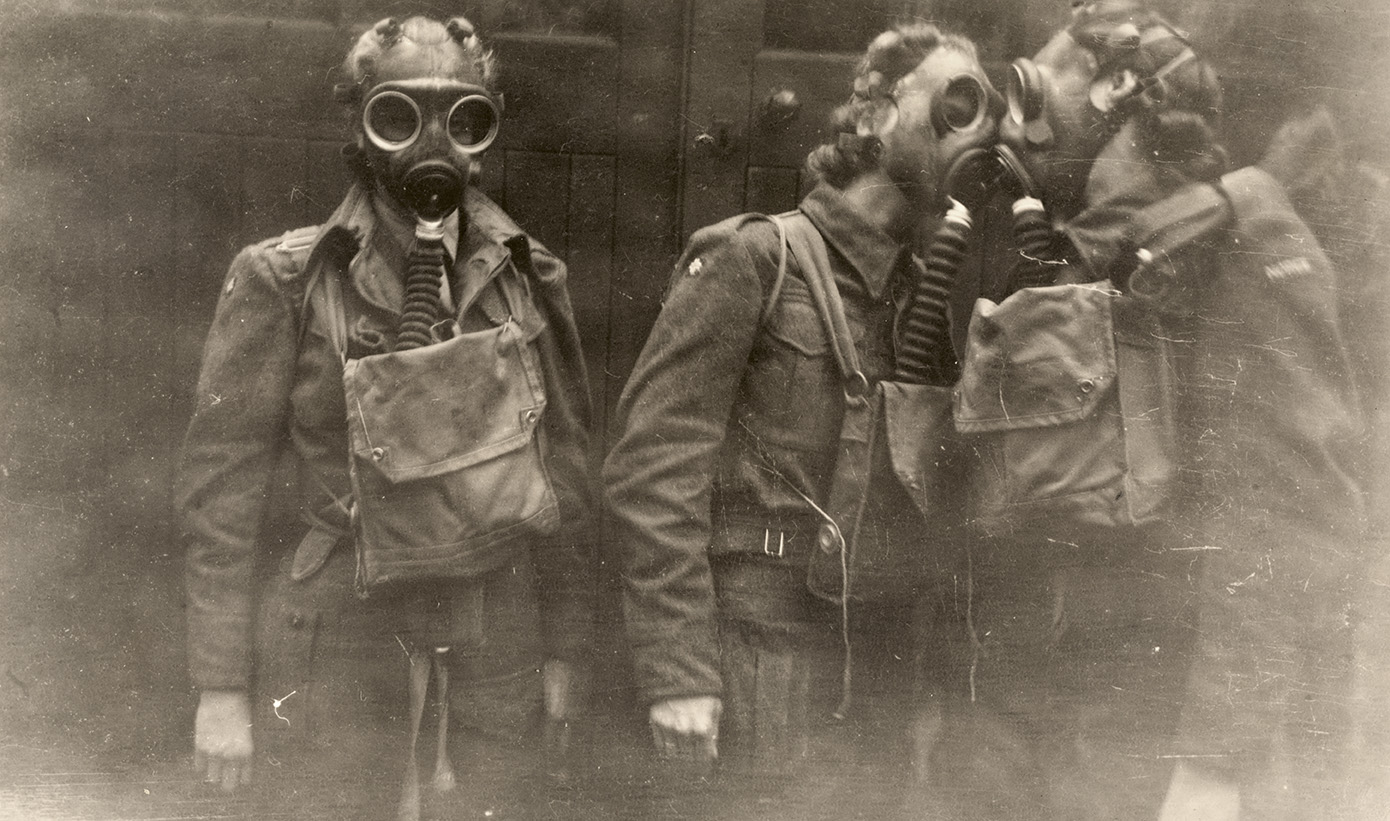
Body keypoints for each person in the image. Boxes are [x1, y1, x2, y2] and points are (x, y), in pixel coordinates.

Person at [176, 15, 595, 820]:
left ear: (486, 130)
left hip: (493, 636)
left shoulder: (529, 276)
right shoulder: (287, 279)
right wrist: (222, 686)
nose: (432, 141)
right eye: (400, 114)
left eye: (462, 116)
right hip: (339, 637)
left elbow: (568, 475)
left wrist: (562, 653)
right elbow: (219, 497)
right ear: (358, 123)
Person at [602, 22, 997, 819]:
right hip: (756, 656)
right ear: (877, 113)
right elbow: (652, 471)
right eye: (956, 105)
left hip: (875, 665)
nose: (978, 130)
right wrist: (679, 672)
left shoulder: (923, 294)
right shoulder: (755, 259)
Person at [984, 2, 1367, 818]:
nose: (1019, 126)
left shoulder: (1232, 252)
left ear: (1119, 86)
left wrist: (1213, 763)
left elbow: (1284, 525)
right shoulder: (1074, 254)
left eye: (1036, 91)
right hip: (1030, 712)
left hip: (1145, 734)